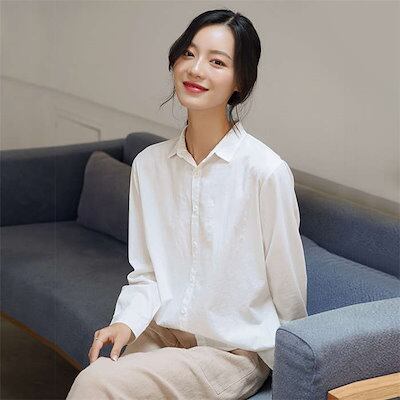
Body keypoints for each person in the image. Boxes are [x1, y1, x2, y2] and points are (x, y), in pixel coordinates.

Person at [66, 8, 308, 400]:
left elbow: (289, 288)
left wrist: (297, 369)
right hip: (164, 333)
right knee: (102, 374)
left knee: (95, 385)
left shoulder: (265, 172)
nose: (196, 69)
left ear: (240, 81)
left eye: (217, 62)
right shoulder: (149, 166)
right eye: (189, 54)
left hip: (232, 351)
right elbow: (148, 273)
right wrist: (126, 322)